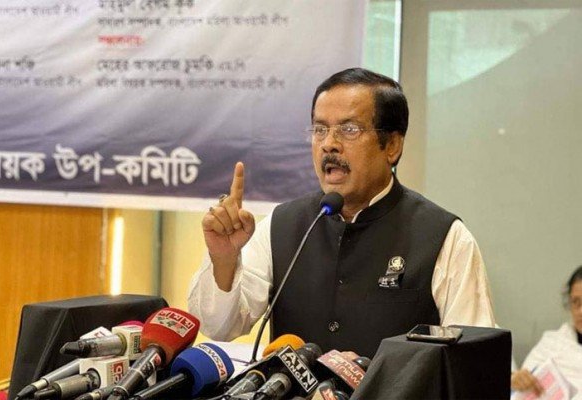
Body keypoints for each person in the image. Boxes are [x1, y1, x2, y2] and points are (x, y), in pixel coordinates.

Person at [188, 67, 495, 356]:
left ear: (392, 146)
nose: (329, 144)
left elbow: (472, 359)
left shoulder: (444, 238)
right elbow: (220, 327)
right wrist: (224, 259)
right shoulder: (282, 225)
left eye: (349, 129)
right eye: (320, 129)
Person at [511, 266, 582, 396]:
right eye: (576, 302)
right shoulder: (551, 344)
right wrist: (517, 381)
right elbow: (521, 390)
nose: (580, 311)